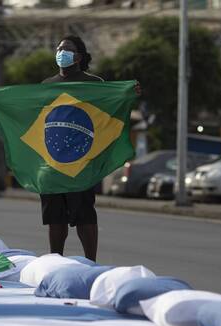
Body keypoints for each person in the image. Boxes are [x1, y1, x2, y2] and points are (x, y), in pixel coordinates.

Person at [40, 35, 141, 261]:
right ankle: (55, 262)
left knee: (84, 216)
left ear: (79, 56)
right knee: (55, 219)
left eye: (66, 49)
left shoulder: (93, 84)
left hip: (82, 162)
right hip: (53, 163)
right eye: (58, 48)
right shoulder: (46, 86)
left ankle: (91, 264)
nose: (61, 52)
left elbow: (110, 108)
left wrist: (127, 94)